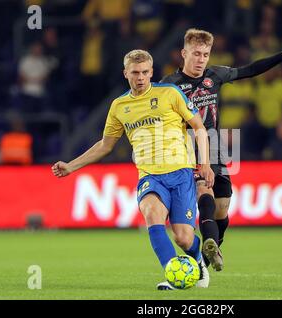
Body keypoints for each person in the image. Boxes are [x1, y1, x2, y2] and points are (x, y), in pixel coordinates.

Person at [51, 49, 214, 290]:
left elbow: (198, 126)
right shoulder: (119, 106)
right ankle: (173, 275)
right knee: (151, 213)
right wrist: (71, 166)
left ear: (151, 72)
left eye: (145, 72)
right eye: (135, 72)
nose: (140, 77)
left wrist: (206, 164)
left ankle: (197, 258)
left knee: (183, 237)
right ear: (125, 73)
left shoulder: (170, 93)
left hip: (180, 172)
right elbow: (105, 145)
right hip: (149, 176)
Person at [161, 29, 282, 280]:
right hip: (188, 148)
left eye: (205, 54)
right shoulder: (169, 85)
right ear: (184, 53)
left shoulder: (215, 75)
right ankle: (207, 246)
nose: (201, 59)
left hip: (216, 147)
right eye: (196, 54)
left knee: (222, 209)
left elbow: (250, 70)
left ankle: (206, 258)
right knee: (204, 190)